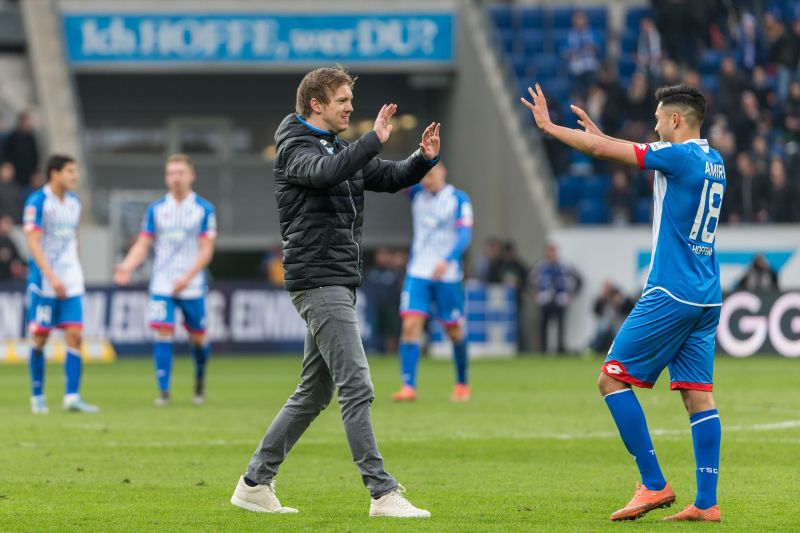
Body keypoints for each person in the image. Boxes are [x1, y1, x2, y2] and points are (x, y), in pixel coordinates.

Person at [230, 66, 439, 518]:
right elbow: (326, 174)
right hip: (318, 279)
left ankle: (254, 483)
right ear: (316, 104)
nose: (351, 108)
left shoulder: (337, 148)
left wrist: (422, 159)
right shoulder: (295, 148)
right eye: (343, 101)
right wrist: (371, 141)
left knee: (314, 392)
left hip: (335, 278)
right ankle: (382, 493)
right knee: (357, 384)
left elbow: (385, 176)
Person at [521, 83, 725, 522]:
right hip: (707, 295)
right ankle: (706, 503)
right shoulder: (714, 160)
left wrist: (548, 126)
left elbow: (602, 153)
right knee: (698, 397)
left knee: (611, 379)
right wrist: (604, 138)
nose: (653, 123)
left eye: (657, 117)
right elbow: (620, 150)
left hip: (670, 290)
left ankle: (653, 484)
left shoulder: (678, 156)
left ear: (675, 120)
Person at [114, 154, 216, 406]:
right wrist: (126, 266)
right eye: (171, 173)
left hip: (191, 284)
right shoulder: (156, 209)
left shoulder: (204, 209)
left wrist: (188, 276)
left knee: (198, 338)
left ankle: (200, 380)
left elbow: (206, 250)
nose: (176, 178)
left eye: (180, 172)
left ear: (191, 176)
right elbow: (143, 244)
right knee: (163, 331)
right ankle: (163, 391)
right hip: (162, 283)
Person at [391, 162, 473, 402]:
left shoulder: (458, 199)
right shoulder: (417, 194)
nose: (427, 180)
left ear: (443, 172)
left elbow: (465, 234)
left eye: (431, 174)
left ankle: (462, 383)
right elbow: (395, 177)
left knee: (454, 330)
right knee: (410, 326)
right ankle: (408, 386)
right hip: (418, 273)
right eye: (423, 176)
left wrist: (447, 259)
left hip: (447, 275)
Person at [23, 155, 98, 414]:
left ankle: (72, 396)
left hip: (71, 280)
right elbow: (32, 242)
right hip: (45, 282)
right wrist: (52, 276)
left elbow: (73, 239)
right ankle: (37, 394)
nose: (75, 176)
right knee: (40, 337)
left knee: (75, 335)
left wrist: (73, 269)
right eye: (70, 171)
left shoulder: (75, 203)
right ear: (54, 173)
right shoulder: (38, 202)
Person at [531, 243, 581, 354]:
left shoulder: (564, 265)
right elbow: (529, 280)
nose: (552, 254)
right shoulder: (540, 266)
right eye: (550, 251)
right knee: (543, 327)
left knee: (561, 327)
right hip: (545, 300)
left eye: (553, 251)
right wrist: (534, 294)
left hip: (560, 300)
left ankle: (560, 349)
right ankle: (543, 350)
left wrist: (572, 294)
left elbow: (579, 280)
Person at [4, 112, 39, 190]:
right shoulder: (12, 138)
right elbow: (7, 153)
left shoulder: (30, 138)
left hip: (28, 172)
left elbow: (35, 155)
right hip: (15, 172)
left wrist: (35, 171)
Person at [0, 215, 25, 280]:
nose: (6, 226)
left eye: (9, 224)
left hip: (8, 278)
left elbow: (17, 258)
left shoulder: (11, 240)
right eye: (5, 223)